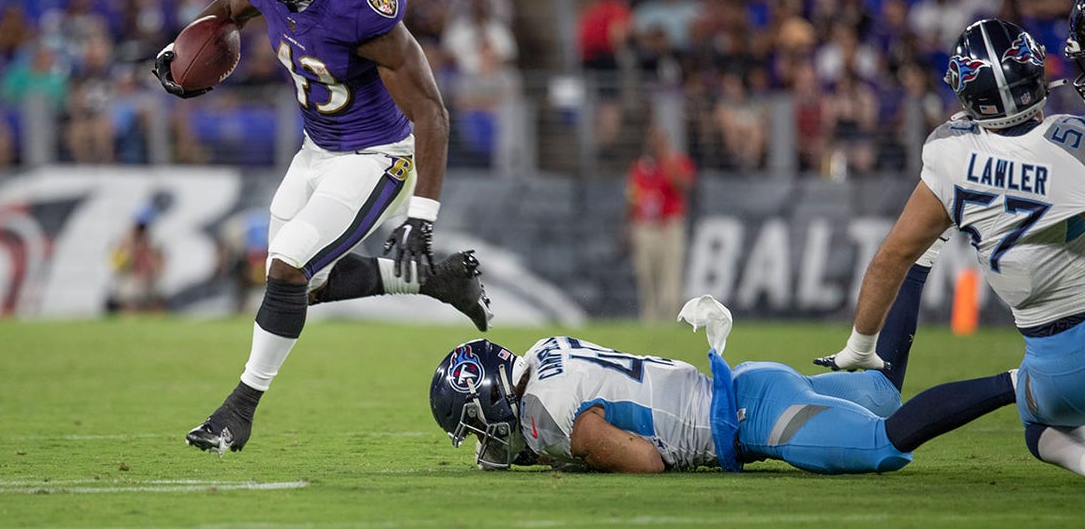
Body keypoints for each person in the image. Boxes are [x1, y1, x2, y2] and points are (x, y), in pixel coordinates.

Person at [152, 0, 493, 456]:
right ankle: (441, 280)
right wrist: (189, 45)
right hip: (315, 148)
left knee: (287, 266)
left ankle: (238, 411)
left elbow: (432, 114)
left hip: (376, 155)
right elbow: (234, 7)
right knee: (297, 287)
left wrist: (423, 215)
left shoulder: (362, 2)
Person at [430, 243, 1016, 474]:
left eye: (477, 423)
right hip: (750, 384)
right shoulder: (543, 351)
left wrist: (569, 458)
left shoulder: (548, 415)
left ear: (489, 398)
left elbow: (646, 462)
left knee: (884, 447)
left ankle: (1019, 381)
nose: (486, 438)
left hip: (748, 418)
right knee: (884, 393)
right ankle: (922, 259)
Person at [819, 15, 1085, 477]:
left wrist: (861, 344)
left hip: (1053, 374)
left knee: (1039, 428)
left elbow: (893, 257)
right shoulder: (1074, 141)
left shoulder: (950, 153)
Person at [625, 123, 696, 322]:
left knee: (670, 275)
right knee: (646, 275)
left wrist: (666, 162)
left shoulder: (677, 163)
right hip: (646, 226)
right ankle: (650, 318)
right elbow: (632, 197)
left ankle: (670, 318)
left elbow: (684, 187)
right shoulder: (640, 167)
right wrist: (629, 226)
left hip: (669, 226)